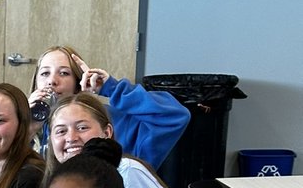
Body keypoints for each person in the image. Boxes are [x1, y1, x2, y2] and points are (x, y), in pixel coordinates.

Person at [29, 44, 190, 172]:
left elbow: (175, 116)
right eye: (45, 73)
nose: (52, 81)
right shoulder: (25, 126)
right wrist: (26, 128)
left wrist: (113, 88)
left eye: (64, 73)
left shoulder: (109, 118)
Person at [47, 92, 176, 188]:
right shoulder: (54, 181)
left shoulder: (129, 172)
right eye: (61, 131)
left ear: (107, 133)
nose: (71, 138)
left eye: (82, 128)